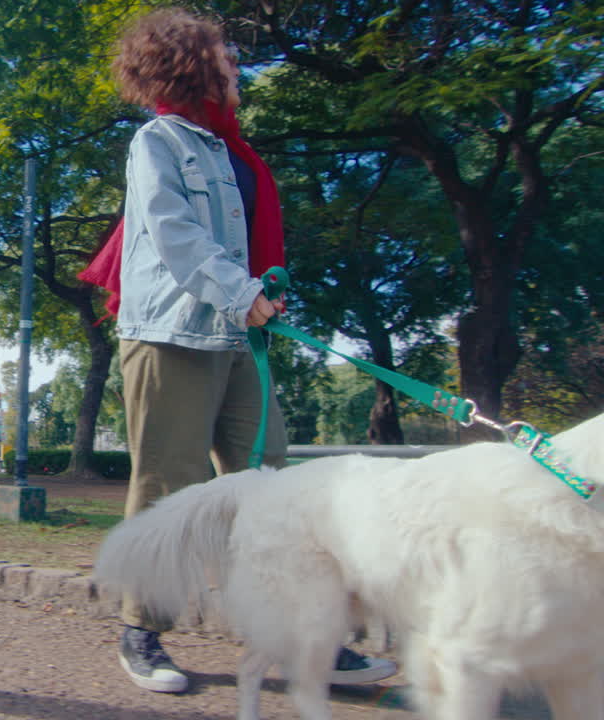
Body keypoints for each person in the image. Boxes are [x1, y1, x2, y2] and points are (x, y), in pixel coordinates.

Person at [105, 8, 397, 695]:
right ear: (192, 66)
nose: (237, 72)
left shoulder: (234, 152)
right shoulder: (158, 142)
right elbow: (174, 234)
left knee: (272, 488)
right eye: (227, 62)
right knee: (167, 488)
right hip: (169, 335)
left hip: (241, 337)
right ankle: (142, 629)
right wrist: (240, 290)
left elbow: (244, 246)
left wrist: (261, 296)